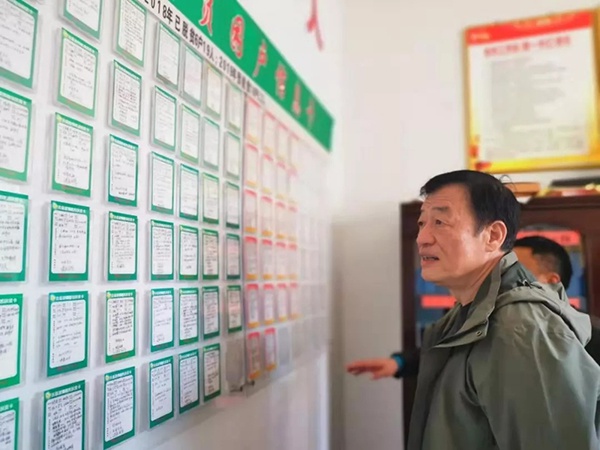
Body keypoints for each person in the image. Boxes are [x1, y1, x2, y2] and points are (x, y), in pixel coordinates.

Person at [347, 170, 600, 450]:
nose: (422, 238)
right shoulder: (467, 313)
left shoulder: (520, 330)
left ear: (493, 235)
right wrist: (400, 362)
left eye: (440, 222)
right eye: (421, 223)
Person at [366, 235, 600, 381]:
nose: (500, 280)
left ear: (551, 281)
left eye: (515, 272)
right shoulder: (489, 322)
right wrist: (399, 363)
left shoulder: (591, 334)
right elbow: (447, 353)